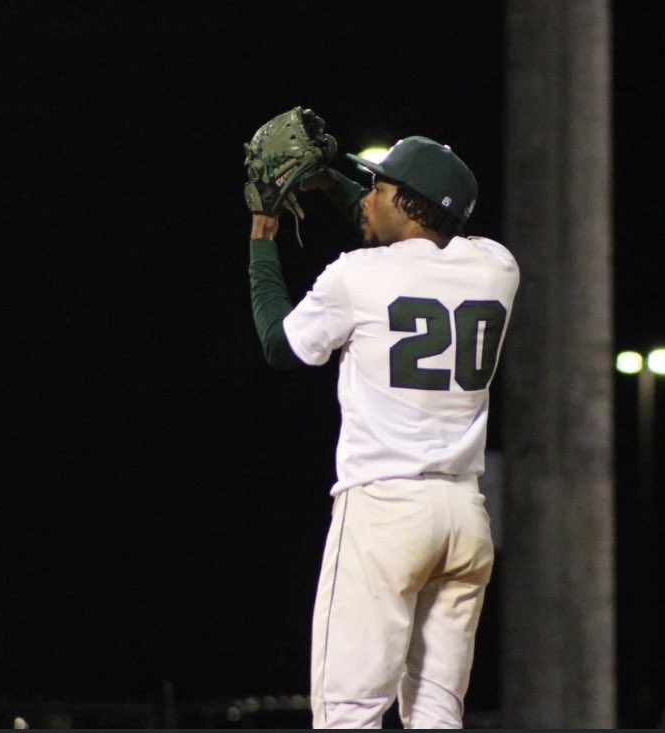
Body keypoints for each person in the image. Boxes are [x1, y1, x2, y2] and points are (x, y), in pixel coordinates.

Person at [247, 133, 519, 728]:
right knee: (436, 715)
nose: (368, 195)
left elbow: (279, 346)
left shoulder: (356, 276)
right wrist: (333, 175)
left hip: (385, 510)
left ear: (413, 204)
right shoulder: (497, 267)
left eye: (380, 186)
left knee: (348, 712)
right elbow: (415, 229)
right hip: (463, 519)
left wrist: (263, 234)